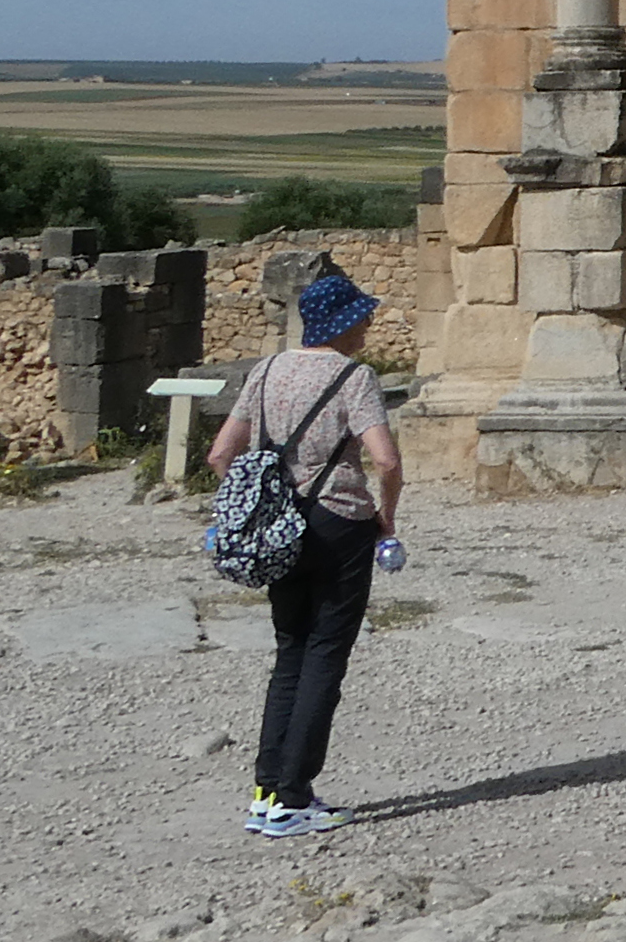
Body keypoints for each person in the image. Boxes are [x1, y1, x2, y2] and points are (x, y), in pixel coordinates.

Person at [206, 272, 400, 839]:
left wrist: (253, 502)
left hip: (278, 527)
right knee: (324, 656)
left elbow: (223, 452)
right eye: (362, 316)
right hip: (339, 523)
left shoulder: (266, 370)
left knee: (289, 652)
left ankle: (268, 790)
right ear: (342, 323)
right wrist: (386, 516)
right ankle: (294, 796)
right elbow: (385, 460)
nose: (368, 324)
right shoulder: (354, 376)